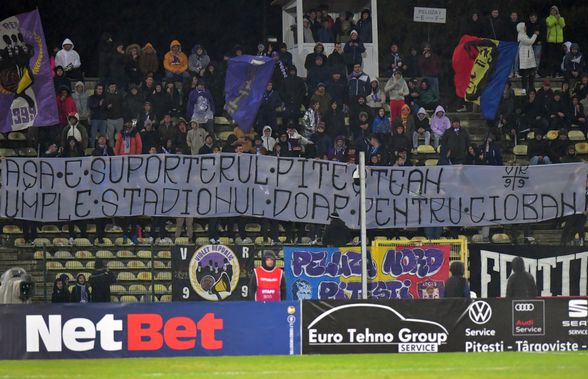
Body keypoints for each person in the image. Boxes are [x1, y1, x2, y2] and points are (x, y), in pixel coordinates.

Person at [517, 22, 539, 94]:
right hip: (525, 58)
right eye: (524, 26)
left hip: (528, 57)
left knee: (531, 73)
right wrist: (535, 34)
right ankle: (524, 88)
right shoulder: (521, 36)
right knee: (525, 74)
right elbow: (530, 42)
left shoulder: (524, 34)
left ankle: (531, 87)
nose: (526, 27)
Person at [545, 6, 566, 77]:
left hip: (559, 41)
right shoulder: (548, 18)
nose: (553, 11)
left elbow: (563, 25)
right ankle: (551, 72)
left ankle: (558, 72)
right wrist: (555, 19)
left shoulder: (561, 18)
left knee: (558, 57)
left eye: (555, 10)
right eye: (552, 10)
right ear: (550, 11)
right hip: (551, 41)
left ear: (557, 11)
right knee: (551, 57)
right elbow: (549, 24)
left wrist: (559, 18)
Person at [105, 82, 124, 147]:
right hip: (110, 119)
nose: (113, 88)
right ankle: (112, 150)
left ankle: (120, 149)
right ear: (109, 88)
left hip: (119, 118)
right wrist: (107, 107)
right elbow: (103, 107)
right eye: (111, 87)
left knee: (120, 136)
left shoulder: (119, 95)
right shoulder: (106, 95)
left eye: (114, 87)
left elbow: (123, 105)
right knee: (110, 136)